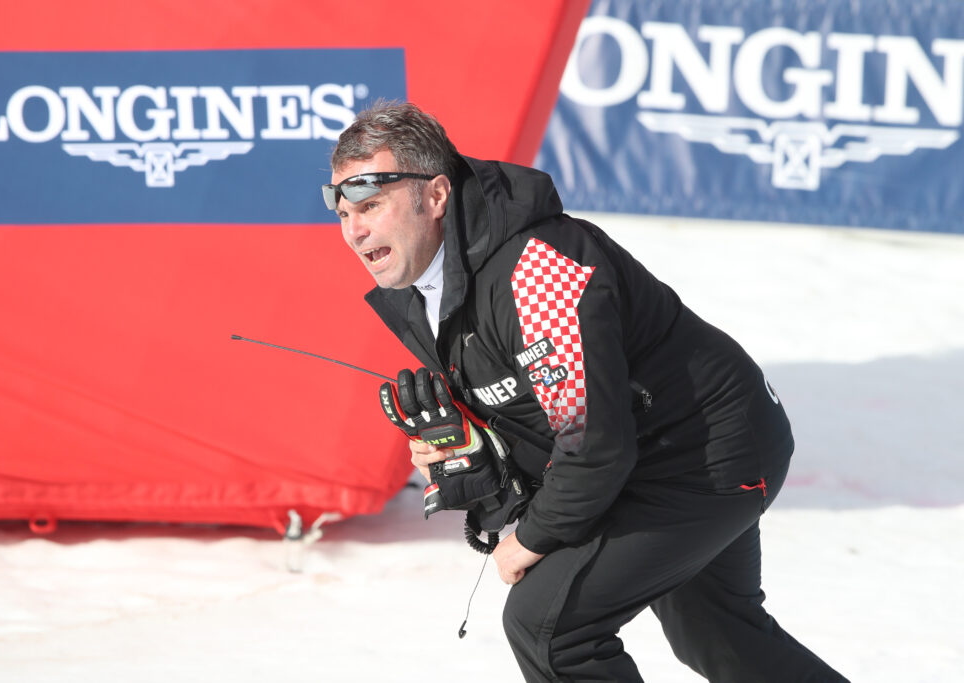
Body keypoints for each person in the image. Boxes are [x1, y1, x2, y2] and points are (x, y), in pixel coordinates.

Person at [323, 100, 847, 682]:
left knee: (551, 628)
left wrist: (532, 536)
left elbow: (591, 439)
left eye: (371, 206)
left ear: (437, 195)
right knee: (718, 635)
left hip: (707, 450)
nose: (354, 232)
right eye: (343, 213)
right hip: (652, 450)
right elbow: (535, 408)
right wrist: (469, 452)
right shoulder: (421, 285)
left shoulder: (536, 269)